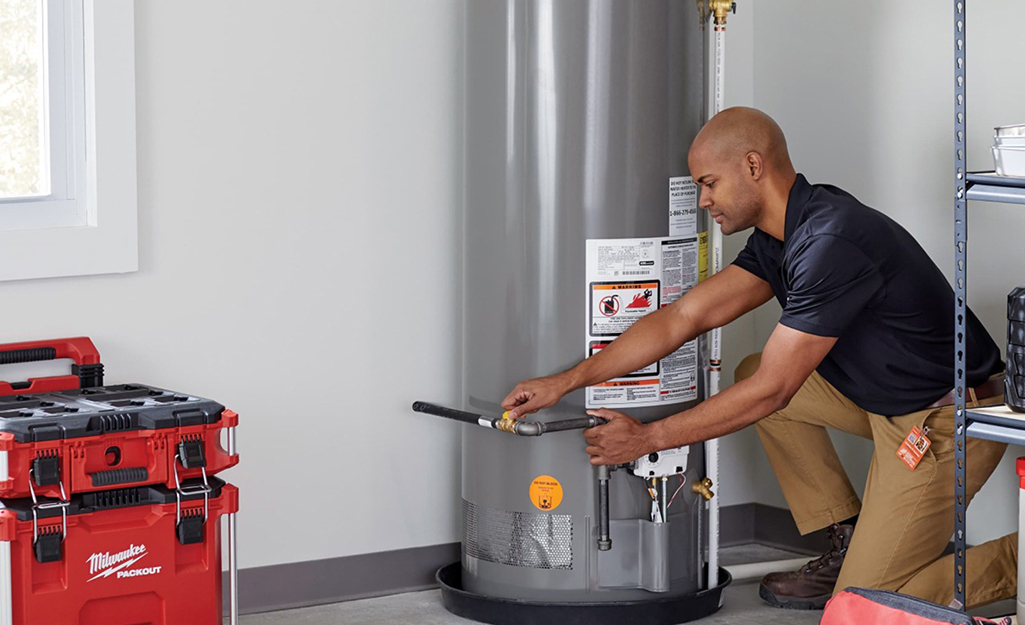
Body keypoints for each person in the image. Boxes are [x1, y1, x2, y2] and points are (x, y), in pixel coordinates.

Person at [501, 107, 1017, 610]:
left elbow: (774, 389)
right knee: (750, 372)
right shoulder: (782, 234)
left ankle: (1017, 558)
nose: (703, 200)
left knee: (859, 609)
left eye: (709, 183)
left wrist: (647, 438)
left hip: (949, 422)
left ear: (753, 166)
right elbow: (684, 318)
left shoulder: (829, 241)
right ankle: (849, 543)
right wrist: (565, 381)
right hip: (887, 403)